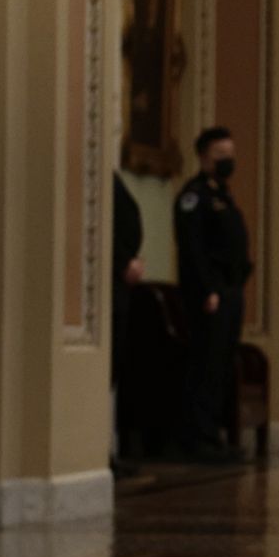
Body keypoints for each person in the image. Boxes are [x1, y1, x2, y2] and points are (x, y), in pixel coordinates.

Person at [174, 127, 252, 464]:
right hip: (209, 295)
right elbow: (193, 250)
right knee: (205, 364)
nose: (228, 162)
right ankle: (198, 437)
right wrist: (208, 290)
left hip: (230, 291)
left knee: (222, 364)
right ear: (205, 158)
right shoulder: (194, 197)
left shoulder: (223, 195)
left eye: (230, 155)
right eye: (221, 156)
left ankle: (215, 435)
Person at [111, 171, 146, 471]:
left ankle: (108, 450)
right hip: (109, 283)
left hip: (118, 285)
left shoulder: (111, 179)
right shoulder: (98, 181)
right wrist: (123, 262)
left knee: (114, 372)